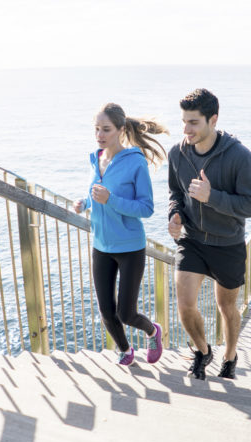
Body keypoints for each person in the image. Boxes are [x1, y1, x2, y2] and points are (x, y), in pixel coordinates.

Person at [168, 89, 251, 379]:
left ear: (213, 120)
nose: (186, 130)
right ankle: (202, 351)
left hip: (228, 243)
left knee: (226, 306)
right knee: (185, 305)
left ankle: (230, 357)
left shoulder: (239, 156)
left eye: (194, 122)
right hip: (193, 240)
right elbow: (176, 192)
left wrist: (212, 197)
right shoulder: (178, 153)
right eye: (184, 121)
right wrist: (175, 215)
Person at [73, 103, 167, 366]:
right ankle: (125, 350)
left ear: (121, 130)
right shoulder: (97, 159)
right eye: (97, 129)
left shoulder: (135, 162)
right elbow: (95, 194)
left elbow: (146, 208)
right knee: (106, 310)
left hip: (129, 247)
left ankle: (152, 331)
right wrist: (84, 203)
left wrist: (111, 199)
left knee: (126, 313)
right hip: (101, 245)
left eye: (106, 129)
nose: (100, 135)